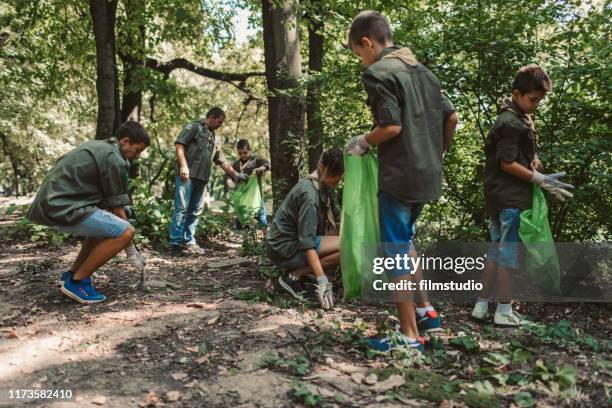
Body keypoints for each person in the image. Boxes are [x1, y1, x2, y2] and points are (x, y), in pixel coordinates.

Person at [345, 11, 458, 351]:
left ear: (367, 42)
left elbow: (391, 126)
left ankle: (410, 337)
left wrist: (364, 141)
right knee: (406, 242)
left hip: (399, 176)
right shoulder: (423, 72)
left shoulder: (379, 72)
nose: (361, 60)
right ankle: (427, 313)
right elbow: (451, 117)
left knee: (393, 252)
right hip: (427, 176)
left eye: (358, 53)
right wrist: (436, 155)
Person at [471, 65, 573, 326]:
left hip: (501, 197)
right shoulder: (509, 122)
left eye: (539, 100)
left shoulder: (516, 117)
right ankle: (504, 311)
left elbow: (517, 156)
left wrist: (534, 163)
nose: (536, 104)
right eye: (533, 99)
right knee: (509, 254)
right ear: (517, 94)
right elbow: (506, 163)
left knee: (496, 252)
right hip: (510, 199)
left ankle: (481, 307)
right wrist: (540, 179)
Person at [26, 121, 150, 304]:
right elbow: (117, 209)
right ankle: (78, 282)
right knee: (126, 231)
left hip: (52, 203)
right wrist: (131, 251)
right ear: (125, 141)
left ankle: (72, 275)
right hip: (63, 207)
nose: (137, 156)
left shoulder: (101, 147)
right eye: (137, 150)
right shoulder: (115, 158)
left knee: (103, 230)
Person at [266, 147, 344, 310]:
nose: (339, 178)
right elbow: (307, 243)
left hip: (295, 243)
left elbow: (337, 219)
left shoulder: (324, 186)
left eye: (341, 174)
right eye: (335, 174)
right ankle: (293, 277)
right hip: (283, 248)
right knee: (347, 247)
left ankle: (298, 273)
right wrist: (322, 279)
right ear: (322, 167)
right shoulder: (309, 195)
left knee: (349, 245)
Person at [169, 107, 247, 253]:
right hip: (187, 175)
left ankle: (189, 241)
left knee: (195, 210)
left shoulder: (214, 137)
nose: (220, 125)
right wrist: (183, 166)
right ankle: (175, 243)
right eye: (219, 121)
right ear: (211, 117)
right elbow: (180, 144)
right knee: (181, 208)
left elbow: (220, 160)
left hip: (202, 178)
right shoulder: (194, 127)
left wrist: (235, 174)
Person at [231, 139, 271, 227]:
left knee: (261, 216)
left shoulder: (256, 160)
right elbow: (232, 178)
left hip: (256, 196)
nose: (243, 155)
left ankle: (266, 236)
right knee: (242, 218)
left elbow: (267, 164)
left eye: (245, 152)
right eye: (240, 153)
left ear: (250, 150)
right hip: (242, 197)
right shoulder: (236, 164)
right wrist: (237, 178)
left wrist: (259, 169)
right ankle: (244, 237)